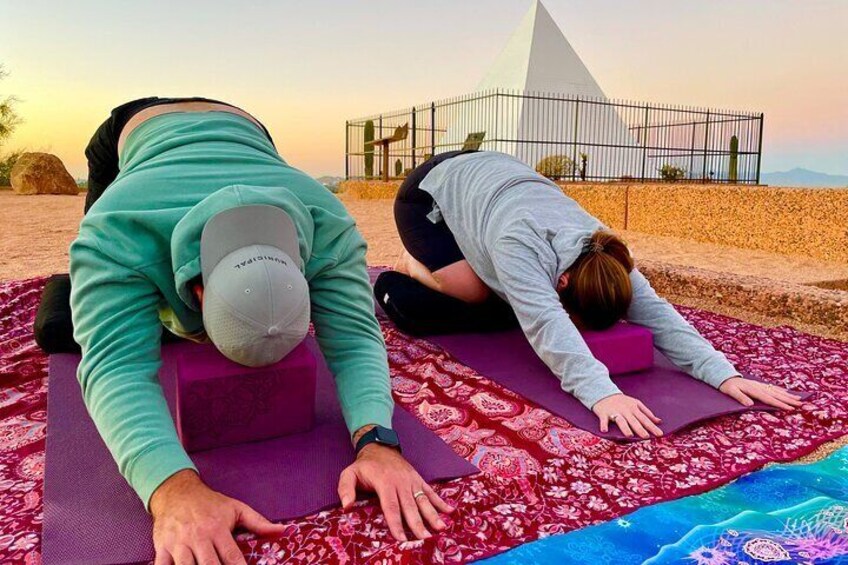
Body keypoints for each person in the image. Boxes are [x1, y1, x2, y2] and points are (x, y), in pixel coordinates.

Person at [70, 97, 453, 565]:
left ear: (305, 268)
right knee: (64, 325)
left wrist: (378, 443)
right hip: (134, 130)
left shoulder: (327, 226)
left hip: (246, 127)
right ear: (192, 286)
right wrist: (171, 489)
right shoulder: (113, 230)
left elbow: (355, 337)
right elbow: (115, 366)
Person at [388, 150, 804, 439]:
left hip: (494, 180)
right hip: (428, 194)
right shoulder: (520, 244)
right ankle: (414, 264)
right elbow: (547, 323)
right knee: (476, 293)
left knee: (509, 301)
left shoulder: (606, 256)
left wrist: (723, 374)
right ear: (564, 284)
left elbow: (658, 315)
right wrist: (602, 393)